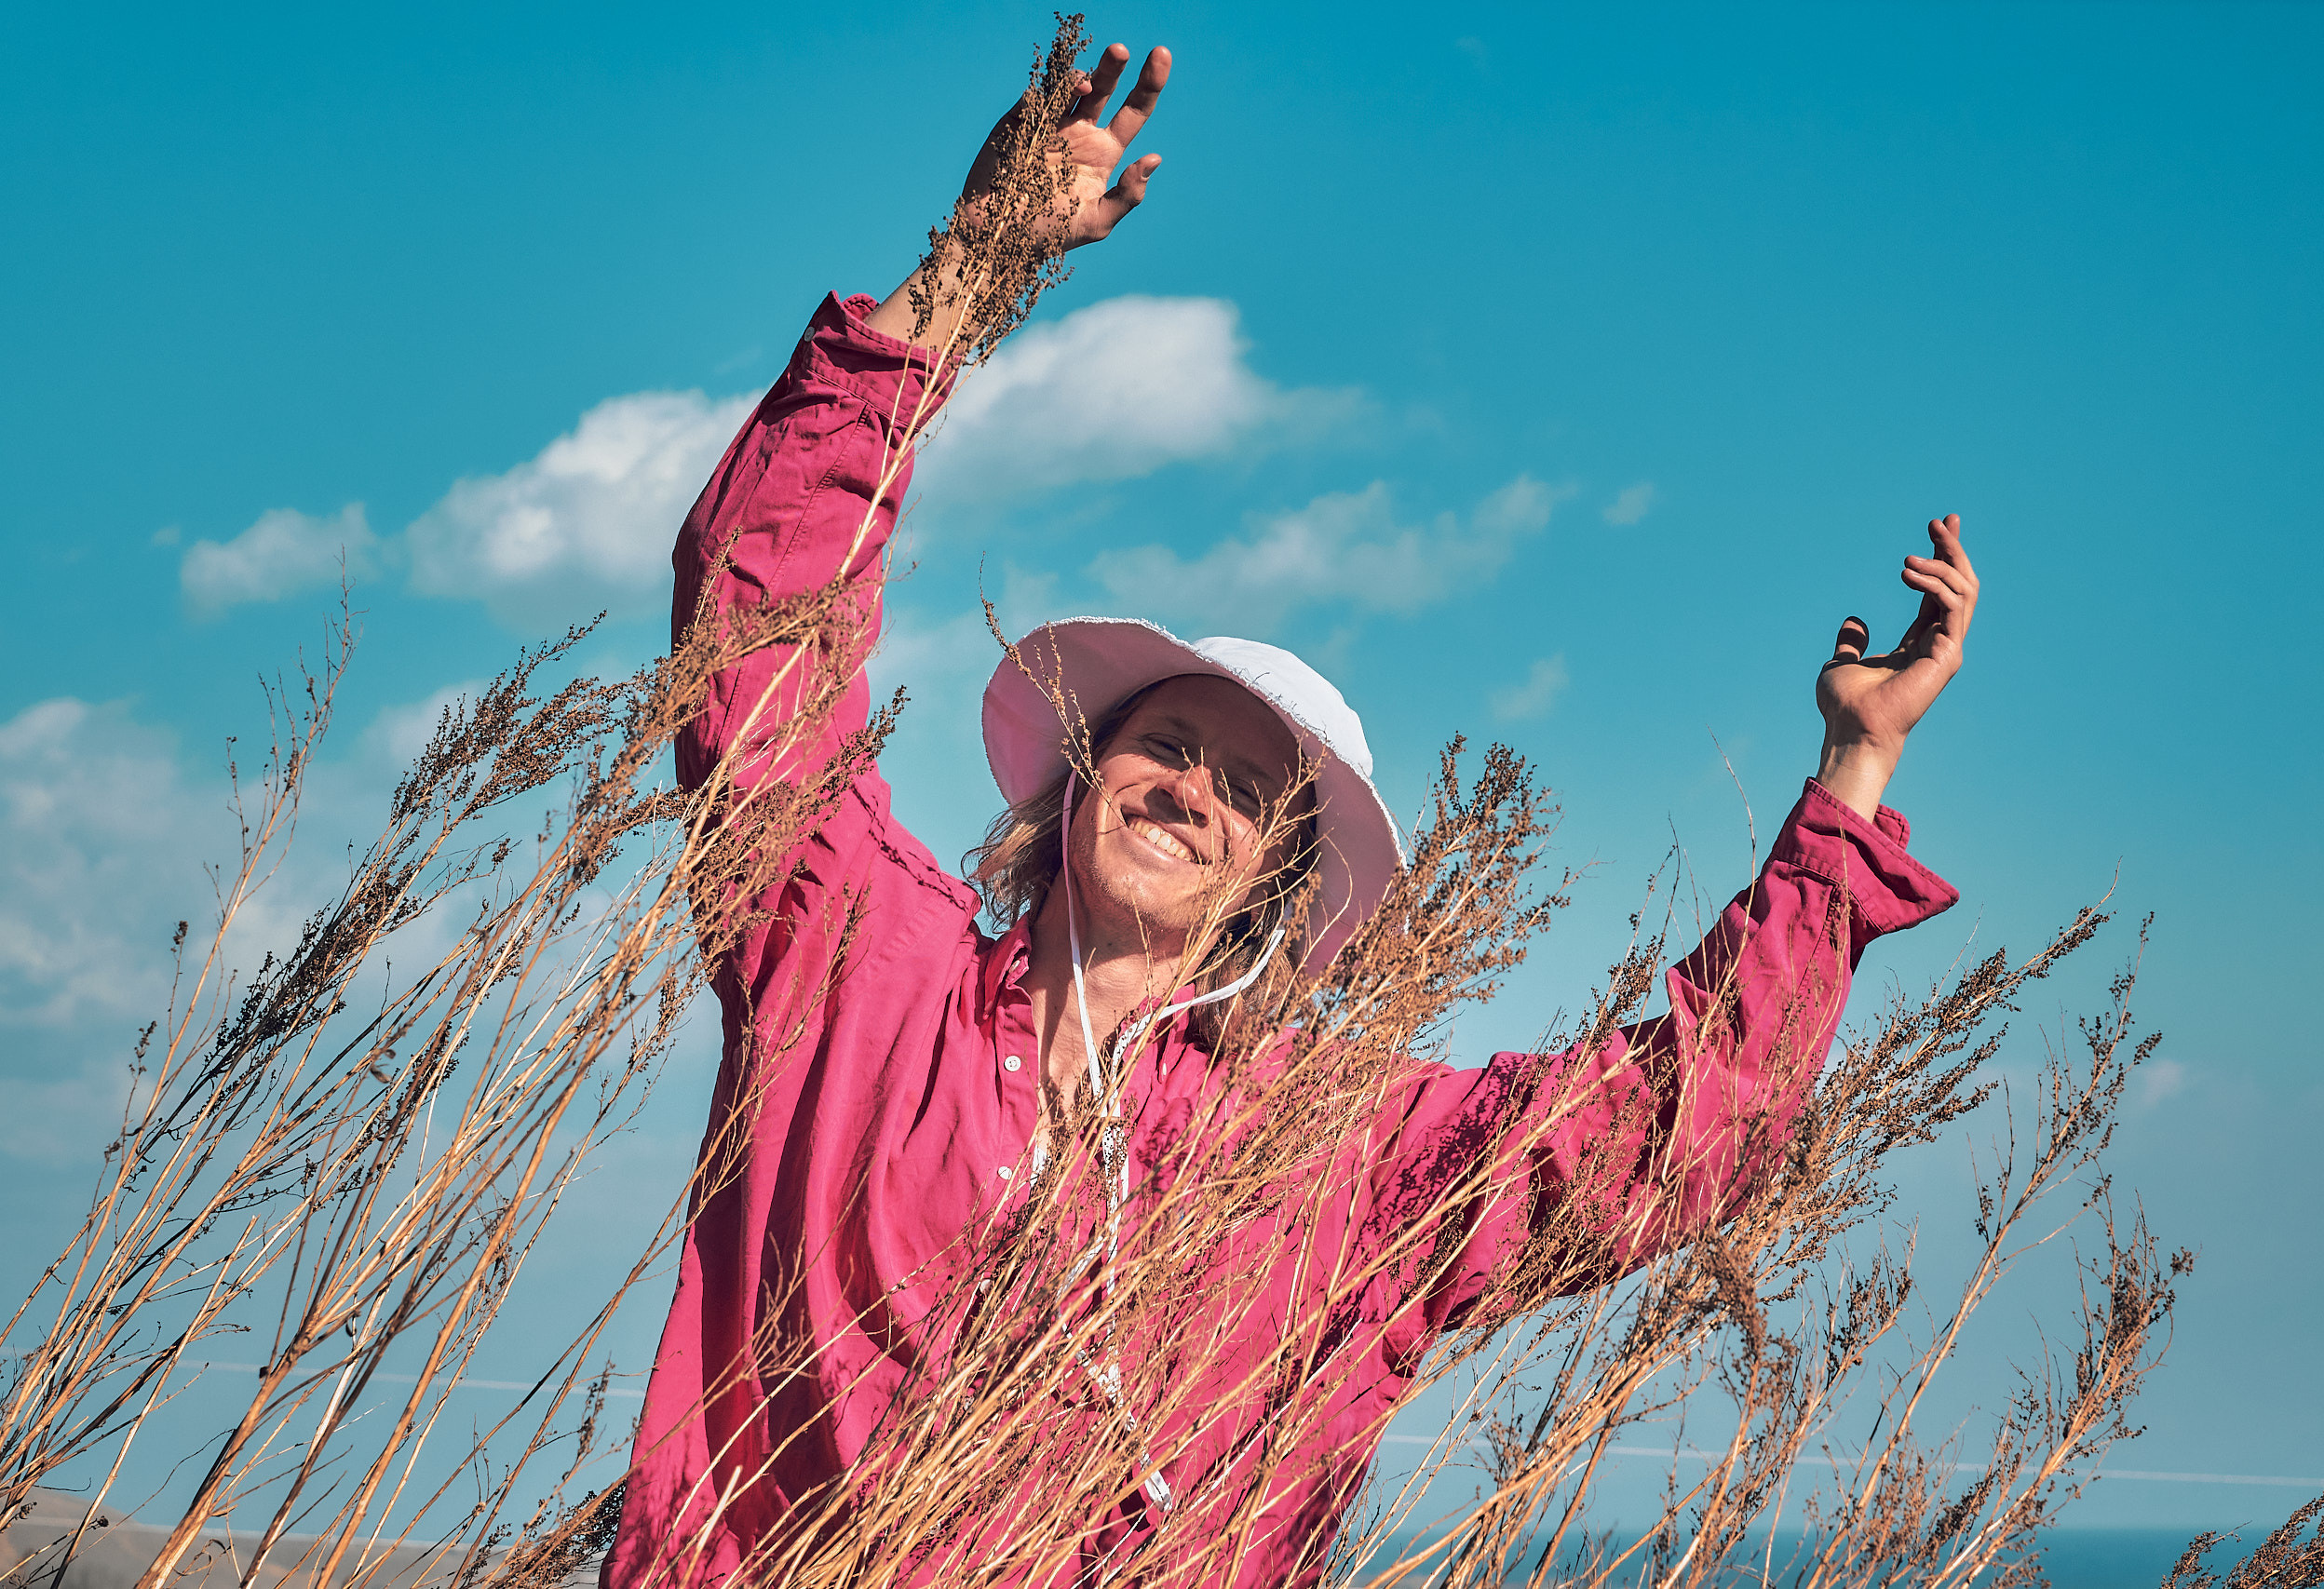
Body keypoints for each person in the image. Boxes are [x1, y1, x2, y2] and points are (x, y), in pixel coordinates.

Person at [602, 37, 1974, 1589]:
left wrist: (1851, 781)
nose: (1191, 790)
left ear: (1273, 882)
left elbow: (1678, 1138)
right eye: (1167, 745)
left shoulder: (1331, 1166)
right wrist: (967, 274)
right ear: (1079, 778)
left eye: (1248, 795)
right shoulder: (855, 956)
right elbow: (760, 616)